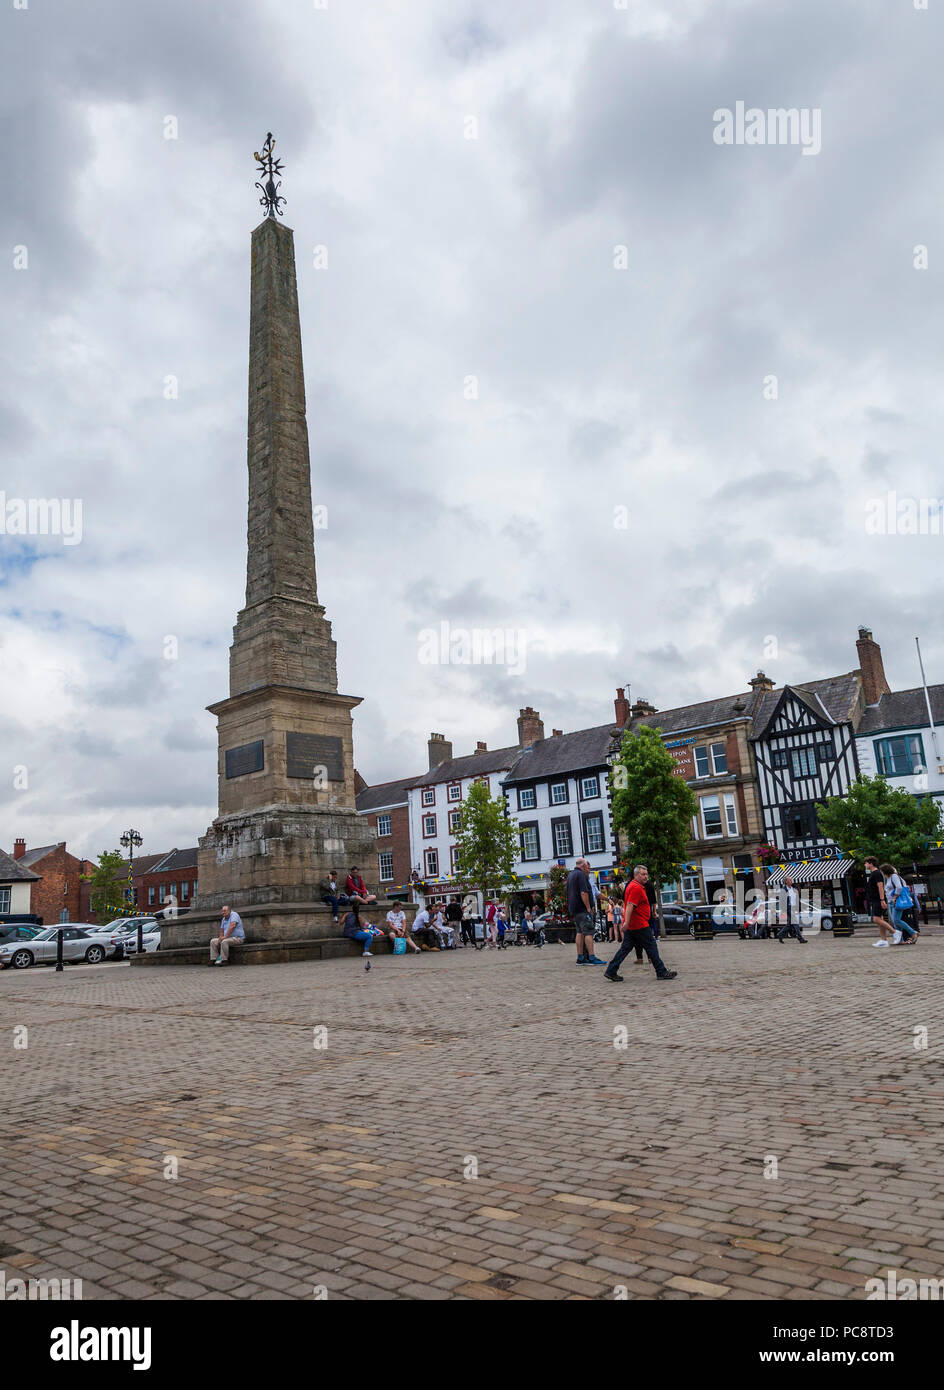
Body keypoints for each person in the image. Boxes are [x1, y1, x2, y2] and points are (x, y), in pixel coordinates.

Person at [604, 865, 677, 983]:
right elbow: (629, 906)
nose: (646, 876)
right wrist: (626, 922)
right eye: (643, 874)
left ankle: (611, 970)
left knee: (625, 948)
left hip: (634, 924)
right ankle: (661, 971)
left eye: (646, 874)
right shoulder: (636, 888)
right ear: (636, 875)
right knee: (651, 946)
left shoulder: (633, 886)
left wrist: (628, 923)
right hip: (639, 924)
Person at [567, 858, 605, 965]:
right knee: (589, 932)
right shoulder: (581, 875)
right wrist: (588, 907)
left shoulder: (571, 875)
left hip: (574, 910)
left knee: (579, 933)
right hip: (583, 909)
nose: (588, 869)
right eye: (587, 867)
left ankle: (580, 957)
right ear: (583, 866)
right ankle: (592, 957)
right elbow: (584, 893)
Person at [865, 856, 900, 947]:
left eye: (866, 863)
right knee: (880, 920)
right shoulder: (873, 874)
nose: (865, 865)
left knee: (876, 919)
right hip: (874, 900)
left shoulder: (876, 873)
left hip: (878, 899)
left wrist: (882, 900)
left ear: (871, 864)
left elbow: (880, 886)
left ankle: (895, 932)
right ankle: (884, 940)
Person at [881, 863, 918, 944]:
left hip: (896, 901)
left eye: (882, 871)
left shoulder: (894, 876)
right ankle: (900, 940)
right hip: (891, 902)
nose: (882, 873)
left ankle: (912, 932)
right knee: (895, 921)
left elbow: (899, 887)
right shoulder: (889, 878)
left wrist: (895, 897)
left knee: (896, 920)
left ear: (885, 871)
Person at [776, 874, 807, 944]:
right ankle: (800, 938)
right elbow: (781, 901)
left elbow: (796, 900)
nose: (791, 880)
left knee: (790, 924)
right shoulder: (783, 890)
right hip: (788, 908)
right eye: (790, 880)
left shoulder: (793, 889)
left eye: (791, 879)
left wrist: (798, 908)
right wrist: (784, 910)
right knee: (795, 923)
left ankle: (780, 934)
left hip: (793, 908)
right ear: (786, 882)